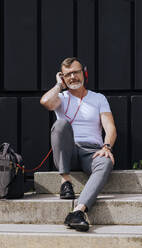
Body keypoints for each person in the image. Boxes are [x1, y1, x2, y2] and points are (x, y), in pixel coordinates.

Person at [40, 57, 117, 232]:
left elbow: (110, 127)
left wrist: (107, 147)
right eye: (67, 75)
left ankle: (77, 212)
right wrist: (59, 85)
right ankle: (65, 182)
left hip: (91, 152)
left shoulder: (98, 98)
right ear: (62, 77)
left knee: (106, 161)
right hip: (68, 152)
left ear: (84, 73)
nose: (72, 77)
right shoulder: (60, 97)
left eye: (76, 72)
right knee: (60, 124)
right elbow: (45, 102)